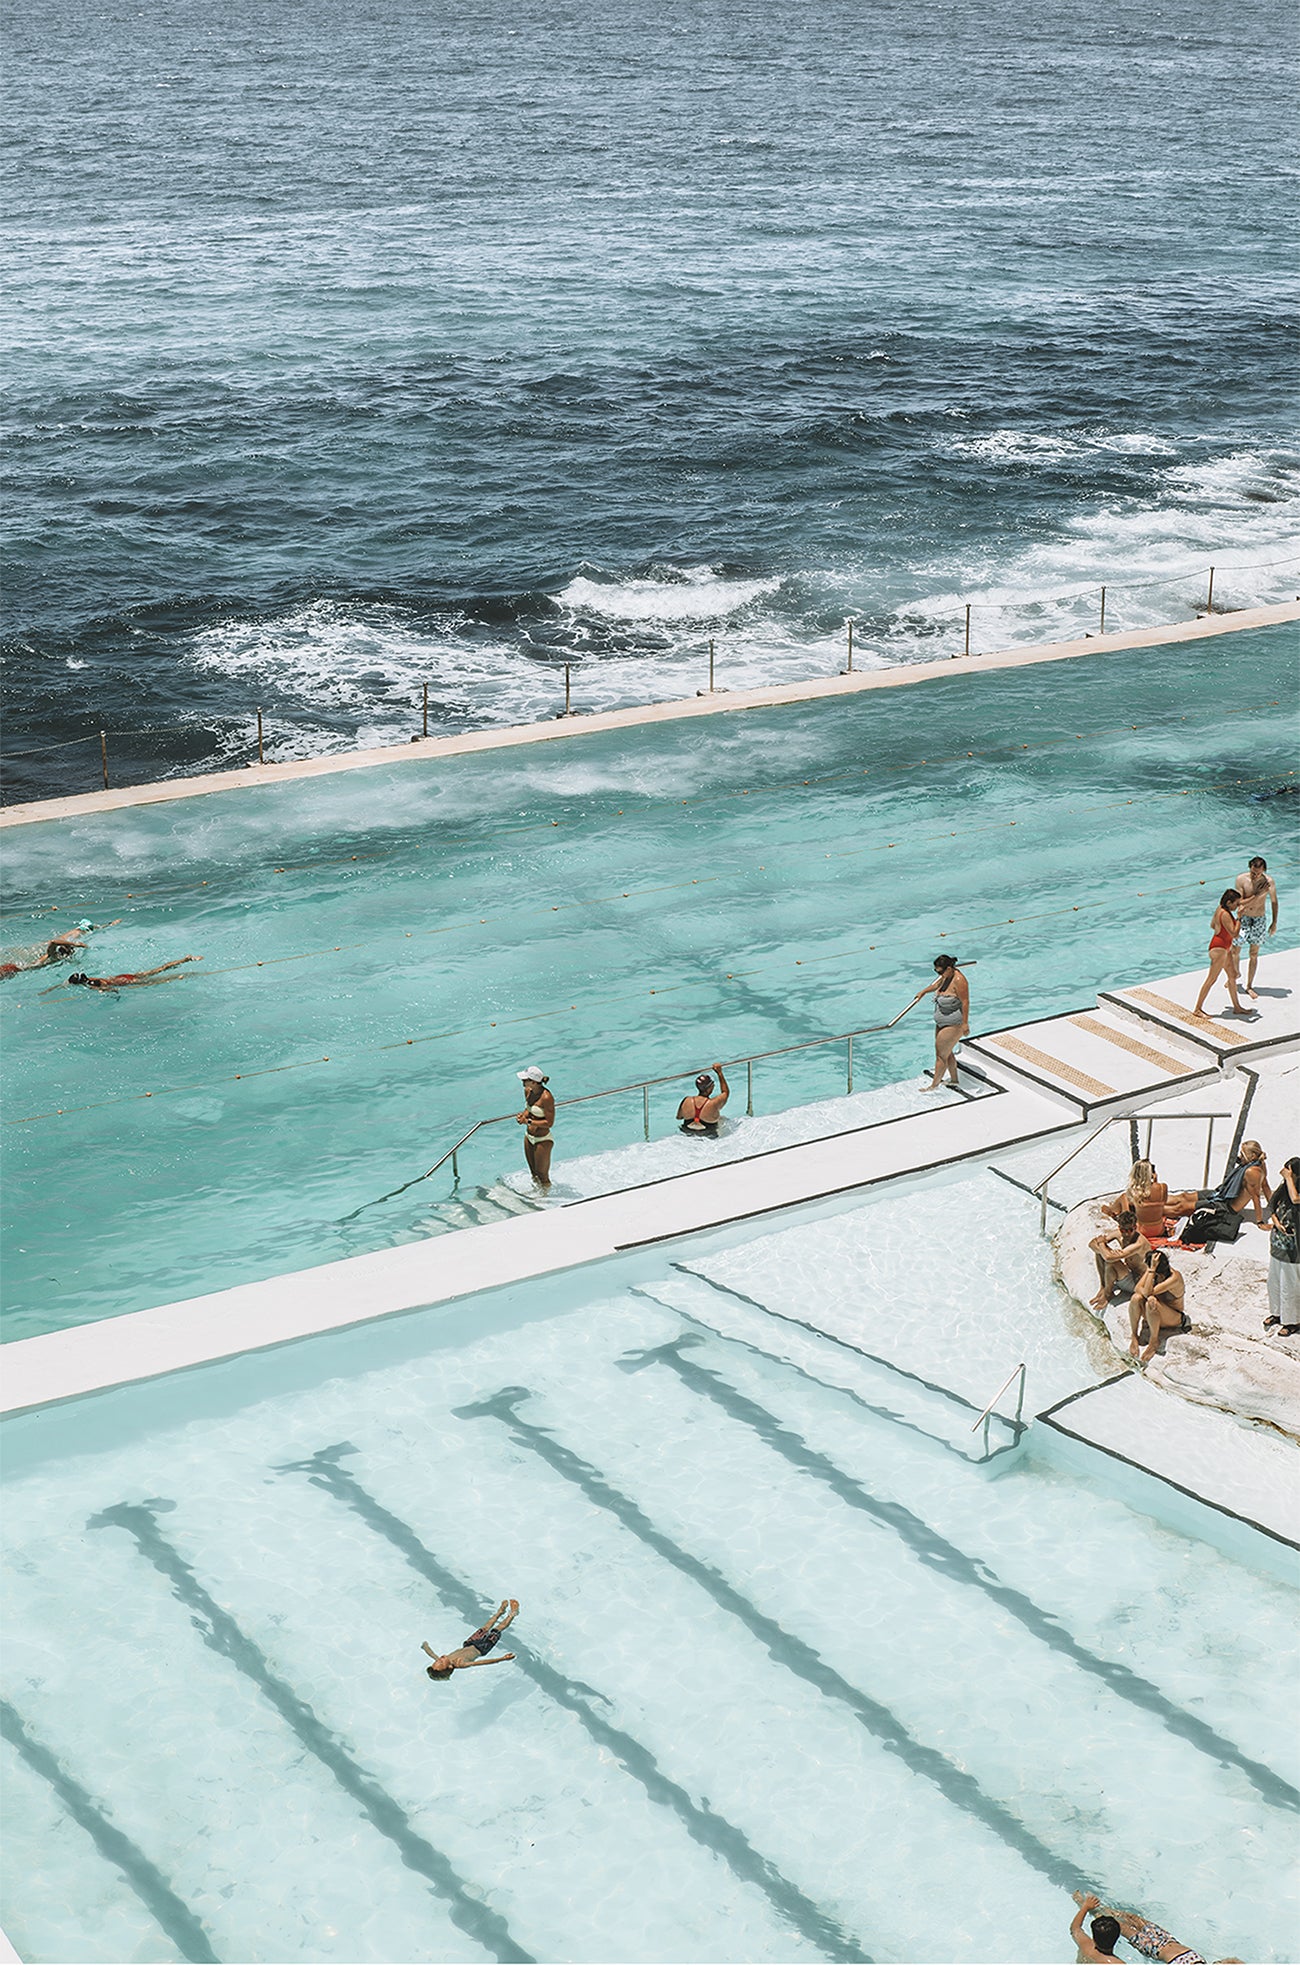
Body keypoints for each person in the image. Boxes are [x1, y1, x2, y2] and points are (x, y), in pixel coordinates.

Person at [1071, 1895, 1208, 1965]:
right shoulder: (1115, 1963)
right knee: (1128, 1924)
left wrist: (1084, 1907)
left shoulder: (1086, 1945)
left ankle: (1096, 1909)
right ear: (1117, 1937)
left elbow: (1075, 1929)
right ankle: (1097, 1910)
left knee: (1133, 1918)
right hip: (1165, 1949)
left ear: (1094, 1938)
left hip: (1169, 1944)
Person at [1163, 1141, 1270, 1230]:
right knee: (1184, 1196)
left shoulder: (1252, 1172)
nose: (1240, 1157)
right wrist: (1272, 1206)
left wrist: (1260, 1221)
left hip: (1225, 1206)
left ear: (1253, 1156)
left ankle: (1151, 1210)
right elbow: (1265, 1186)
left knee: (1181, 1207)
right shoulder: (1260, 1165)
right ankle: (1154, 1200)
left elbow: (1256, 1197)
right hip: (1220, 1194)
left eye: (1243, 1154)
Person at [423, 1599, 519, 1680]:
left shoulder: (443, 1659)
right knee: (498, 1629)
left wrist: (425, 1646)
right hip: (482, 1648)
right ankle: (513, 1613)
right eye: (440, 1662)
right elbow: (481, 1663)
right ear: (449, 1667)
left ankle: (500, 1611)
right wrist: (502, 1659)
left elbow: (431, 1654)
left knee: (485, 1627)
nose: (439, 1659)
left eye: (436, 1661)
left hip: (469, 1643)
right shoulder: (461, 1664)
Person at [913, 954, 970, 1091]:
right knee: (947, 1052)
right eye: (936, 971)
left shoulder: (959, 980)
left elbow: (965, 1002)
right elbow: (936, 985)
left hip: (953, 1024)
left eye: (940, 971)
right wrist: (923, 992)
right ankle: (954, 1080)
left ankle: (933, 1086)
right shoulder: (945, 976)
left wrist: (965, 1024)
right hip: (941, 1022)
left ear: (949, 968)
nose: (939, 974)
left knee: (940, 1056)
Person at [1129, 1248, 1187, 1365]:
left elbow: (1147, 1293)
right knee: (1136, 1298)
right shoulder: (1152, 1271)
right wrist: (1151, 1270)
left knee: (1151, 1300)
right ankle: (1134, 1335)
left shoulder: (1174, 1278)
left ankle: (1154, 1341)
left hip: (1174, 1317)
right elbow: (1137, 1289)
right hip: (1155, 1314)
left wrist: (1151, 1270)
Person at [1193, 890, 1245, 1017]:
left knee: (1232, 975)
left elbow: (1212, 925)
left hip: (1223, 947)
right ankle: (1197, 1009)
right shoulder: (1225, 914)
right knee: (1212, 979)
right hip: (1219, 949)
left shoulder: (1220, 909)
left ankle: (1237, 1007)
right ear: (1229, 902)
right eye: (1236, 904)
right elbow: (1235, 934)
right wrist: (1239, 918)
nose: (1237, 906)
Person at [1264, 1154, 1300, 1337]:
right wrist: (1276, 1221)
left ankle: (1292, 1320)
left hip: (1295, 1250)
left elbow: (1295, 1199)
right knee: (1275, 1281)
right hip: (1279, 1244)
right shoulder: (1284, 1188)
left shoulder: (1295, 1191)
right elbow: (1271, 1205)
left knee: (1290, 1284)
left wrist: (1288, 1178)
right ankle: (1277, 1313)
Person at [1089, 1210, 1151, 1310]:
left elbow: (1108, 1257)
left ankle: (1108, 1295)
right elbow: (1091, 1244)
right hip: (1130, 1273)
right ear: (1119, 1228)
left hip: (1140, 1281)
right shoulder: (1118, 1234)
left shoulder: (1139, 1243)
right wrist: (1102, 1249)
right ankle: (1103, 1286)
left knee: (1111, 1262)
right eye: (1123, 1230)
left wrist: (1101, 1244)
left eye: (1130, 1230)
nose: (1127, 1233)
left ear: (1135, 1227)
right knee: (1100, 1254)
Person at [1235, 855, 1278, 997]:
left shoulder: (1269, 882)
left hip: (1259, 919)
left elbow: (1273, 902)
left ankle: (1249, 986)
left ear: (1264, 871)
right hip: (1244, 918)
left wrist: (1274, 922)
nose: (1255, 875)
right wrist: (1258, 895)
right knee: (1235, 950)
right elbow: (1239, 903)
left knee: (1253, 954)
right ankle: (1234, 975)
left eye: (1258, 873)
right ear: (1250, 868)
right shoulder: (1241, 879)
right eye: (1253, 872)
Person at [1102, 1159, 1172, 1240]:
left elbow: (1129, 1211)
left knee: (1123, 1197)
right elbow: (1162, 1200)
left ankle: (1110, 1210)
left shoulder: (1134, 1191)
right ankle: (1113, 1210)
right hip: (1159, 1230)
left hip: (1141, 1231)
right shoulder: (1163, 1187)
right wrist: (1155, 1181)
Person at [61, 956, 200, 992]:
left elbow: (112, 990)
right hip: (124, 976)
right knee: (159, 969)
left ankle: (180, 976)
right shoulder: (90, 978)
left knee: (159, 980)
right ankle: (186, 959)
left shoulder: (92, 984)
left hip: (126, 982)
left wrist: (104, 992)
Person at [515, 1067, 555, 1190]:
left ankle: (546, 1199)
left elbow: (549, 1123)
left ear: (533, 1081)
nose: (522, 1081)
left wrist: (528, 1121)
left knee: (542, 1175)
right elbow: (529, 1109)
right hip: (529, 1136)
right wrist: (523, 1115)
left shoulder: (546, 1097)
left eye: (525, 1079)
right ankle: (537, 1194)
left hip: (543, 1139)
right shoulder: (528, 1091)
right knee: (533, 1172)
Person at [0, 934, 86, 980]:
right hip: (16, 969)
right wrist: (76, 944)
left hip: (16, 968)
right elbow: (53, 942)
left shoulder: (55, 957)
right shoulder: (53, 956)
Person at [677, 1065, 730, 1138]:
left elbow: (679, 1117)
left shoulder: (686, 1100)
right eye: (713, 1085)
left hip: (687, 1133)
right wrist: (719, 1073)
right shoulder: (713, 1103)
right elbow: (725, 1092)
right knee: (724, 1120)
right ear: (709, 1088)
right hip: (708, 1136)